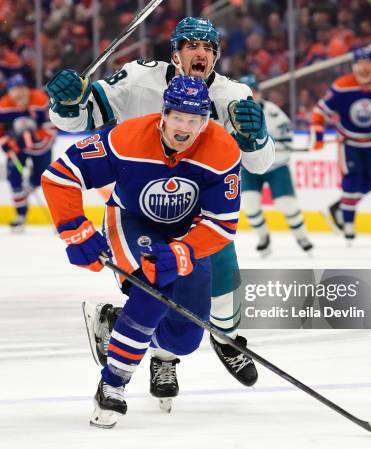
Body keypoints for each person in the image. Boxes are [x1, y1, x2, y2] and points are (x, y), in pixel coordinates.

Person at [45, 17, 269, 388]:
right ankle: (156, 354)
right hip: (140, 210)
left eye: (209, 48)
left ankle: (221, 337)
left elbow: (259, 164)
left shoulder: (234, 96)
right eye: (192, 46)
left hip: (200, 218)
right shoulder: (138, 78)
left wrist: (256, 138)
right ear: (176, 54)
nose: (202, 54)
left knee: (225, 301)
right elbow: (78, 118)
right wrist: (66, 102)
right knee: (158, 293)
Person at [41, 76, 241, 428]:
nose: (185, 128)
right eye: (178, 117)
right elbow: (61, 175)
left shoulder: (223, 151)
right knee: (154, 285)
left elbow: (222, 224)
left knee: (184, 340)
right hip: (132, 222)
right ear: (164, 113)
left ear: (205, 121)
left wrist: (184, 251)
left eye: (194, 121)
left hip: (186, 235)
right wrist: (74, 228)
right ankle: (113, 383)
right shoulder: (126, 138)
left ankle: (117, 322)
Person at [310, 47, 371, 242]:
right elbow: (321, 110)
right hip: (349, 142)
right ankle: (348, 224)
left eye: (367, 63)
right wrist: (317, 132)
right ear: (354, 66)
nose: (364, 68)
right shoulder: (343, 86)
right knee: (352, 180)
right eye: (360, 64)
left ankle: (337, 208)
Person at [237, 75, 313, 256]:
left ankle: (301, 236)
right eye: (246, 92)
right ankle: (263, 237)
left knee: (287, 204)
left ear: (259, 92)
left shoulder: (273, 112)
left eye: (253, 91)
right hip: (248, 167)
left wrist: (271, 149)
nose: (251, 95)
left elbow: (287, 139)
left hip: (276, 165)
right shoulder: (232, 113)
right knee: (250, 204)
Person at [0, 73, 56, 232]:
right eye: (15, 89)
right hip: (17, 147)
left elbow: (52, 125)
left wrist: (36, 138)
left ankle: (27, 191)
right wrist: (5, 143)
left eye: (23, 88)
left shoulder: (40, 100)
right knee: (14, 176)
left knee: (41, 178)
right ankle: (20, 215)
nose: (20, 93)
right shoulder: (4, 105)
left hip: (42, 146)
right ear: (9, 92)